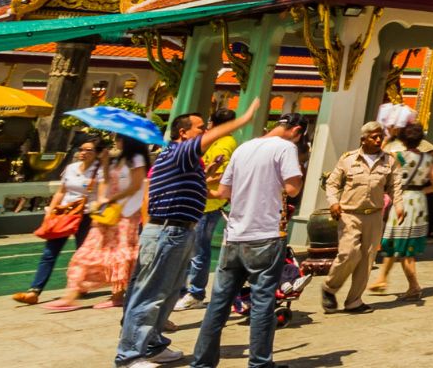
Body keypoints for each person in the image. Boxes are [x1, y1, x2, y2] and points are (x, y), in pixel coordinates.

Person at [117, 100, 259, 368]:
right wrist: (244, 119)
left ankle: (152, 344)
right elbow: (212, 136)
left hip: (179, 231)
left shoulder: (184, 161)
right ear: (183, 133)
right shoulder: (179, 151)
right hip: (167, 230)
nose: (204, 131)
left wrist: (209, 174)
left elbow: (193, 186)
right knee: (151, 294)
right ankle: (130, 355)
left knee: (168, 293)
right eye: (199, 128)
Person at [188, 113, 306, 368]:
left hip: (234, 236)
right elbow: (292, 188)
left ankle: (202, 363)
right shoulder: (285, 147)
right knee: (263, 303)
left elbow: (222, 192)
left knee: (218, 305)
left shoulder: (243, 148)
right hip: (265, 234)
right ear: (296, 130)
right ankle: (260, 363)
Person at [48, 138, 150, 311]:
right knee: (88, 250)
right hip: (108, 212)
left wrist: (109, 199)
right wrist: (104, 163)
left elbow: (135, 186)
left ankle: (117, 295)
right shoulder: (117, 160)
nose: (115, 141)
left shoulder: (137, 159)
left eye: (118, 137)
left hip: (125, 213)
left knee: (119, 254)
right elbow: (106, 182)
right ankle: (71, 294)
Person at [320, 121, 395, 315]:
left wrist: (400, 205)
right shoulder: (348, 159)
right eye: (374, 137)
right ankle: (329, 287)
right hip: (350, 215)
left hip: (375, 215)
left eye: (380, 136)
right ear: (363, 139)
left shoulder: (390, 160)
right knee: (349, 253)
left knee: (367, 259)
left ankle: (354, 300)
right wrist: (333, 202)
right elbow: (332, 184)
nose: (378, 140)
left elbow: (396, 186)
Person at [14, 140, 100, 305]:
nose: (83, 152)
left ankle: (79, 287)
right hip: (65, 214)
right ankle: (35, 290)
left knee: (82, 254)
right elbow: (61, 191)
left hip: (86, 216)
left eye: (88, 150)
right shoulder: (71, 168)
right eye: (81, 149)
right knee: (49, 252)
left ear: (97, 152)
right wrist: (51, 211)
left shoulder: (100, 171)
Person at [173, 108, 241, 313]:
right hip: (197, 202)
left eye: (206, 126)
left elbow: (223, 174)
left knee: (198, 251)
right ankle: (182, 289)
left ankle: (196, 292)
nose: (204, 130)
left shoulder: (225, 143)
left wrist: (200, 180)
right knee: (189, 250)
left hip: (208, 203)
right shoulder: (213, 142)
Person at [372, 121, 433, 300]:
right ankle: (399, 282)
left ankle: (397, 282)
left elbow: (381, 155)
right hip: (419, 201)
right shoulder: (428, 159)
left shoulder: (398, 156)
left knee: (398, 243)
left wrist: (388, 137)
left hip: (402, 199)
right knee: (403, 244)